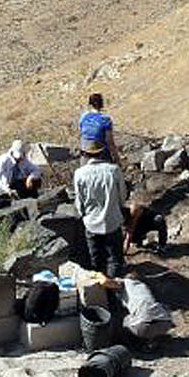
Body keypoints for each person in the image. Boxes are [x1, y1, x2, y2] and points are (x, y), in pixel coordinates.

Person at [72, 142, 126, 279]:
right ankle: (114, 290)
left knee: (96, 259)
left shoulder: (79, 174)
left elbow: (79, 202)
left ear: (85, 155)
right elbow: (122, 197)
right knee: (115, 259)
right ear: (102, 153)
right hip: (112, 221)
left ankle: (99, 288)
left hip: (91, 223)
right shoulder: (114, 170)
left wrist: (83, 215)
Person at [78, 93, 116, 162]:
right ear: (102, 104)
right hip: (100, 152)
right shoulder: (105, 119)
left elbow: (81, 134)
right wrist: (116, 157)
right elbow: (110, 141)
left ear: (90, 104)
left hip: (85, 152)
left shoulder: (83, 116)